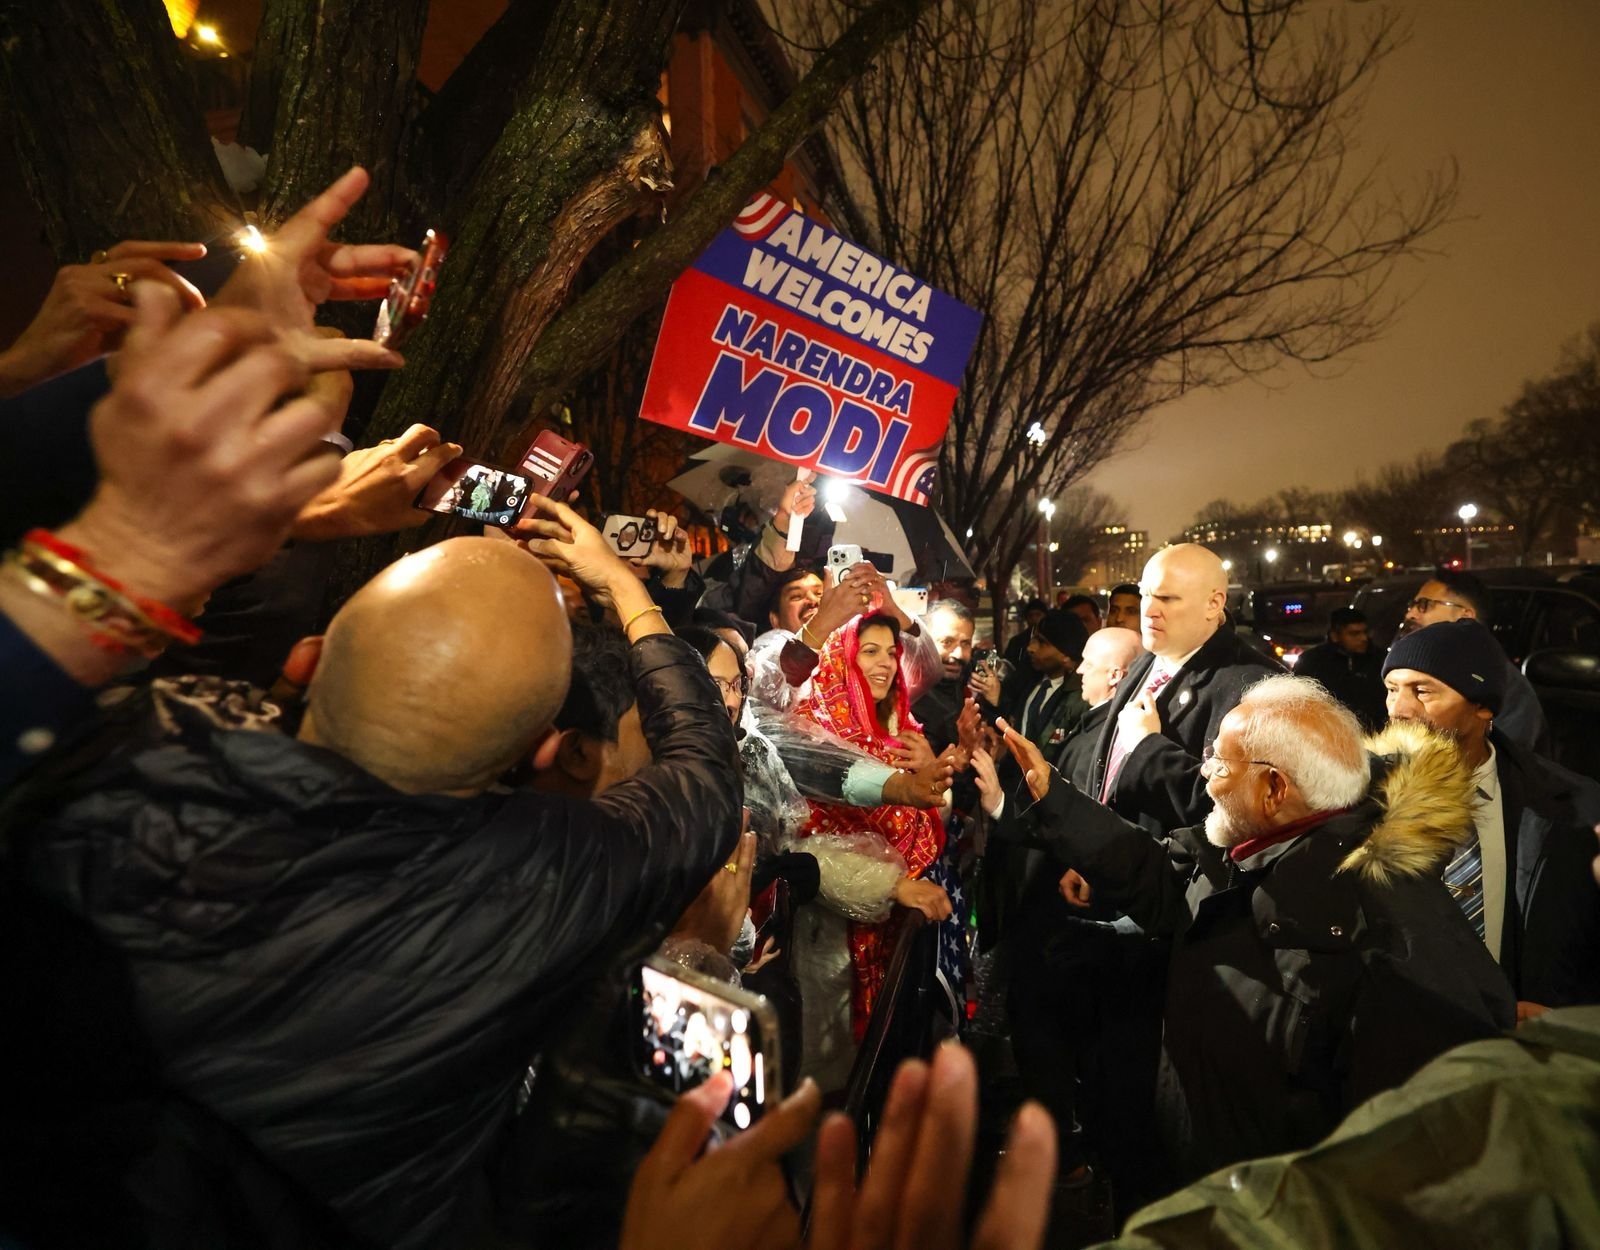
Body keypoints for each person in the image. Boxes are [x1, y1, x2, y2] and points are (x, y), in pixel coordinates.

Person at [1, 505, 741, 1250]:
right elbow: (705, 778)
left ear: (309, 658)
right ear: (535, 752)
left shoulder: (126, 751)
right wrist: (625, 589)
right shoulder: (553, 878)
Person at [992, 675, 1515, 1192]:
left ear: (1273, 789)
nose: (1205, 774)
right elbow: (1169, 885)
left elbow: (1406, 1161)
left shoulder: (1377, 938)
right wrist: (1057, 800)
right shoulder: (1261, 849)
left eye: (1220, 761)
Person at [1382, 618, 1600, 1011]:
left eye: (1422, 691)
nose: (1399, 708)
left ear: (1482, 705)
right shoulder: (1361, 802)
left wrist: (1567, 1020)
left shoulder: (1573, 809)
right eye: (1392, 689)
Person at [791, 611, 954, 1089]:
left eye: (891, 652)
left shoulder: (900, 732)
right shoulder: (812, 733)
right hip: (829, 942)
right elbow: (804, 845)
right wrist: (892, 885)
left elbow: (926, 821)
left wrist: (935, 771)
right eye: (870, 651)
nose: (885, 664)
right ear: (841, 659)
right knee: (833, 1089)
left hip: (893, 934)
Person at [1088, 543, 1282, 831]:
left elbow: (1234, 811)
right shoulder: (1147, 662)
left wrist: (1147, 748)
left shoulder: (1258, 687)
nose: (1149, 610)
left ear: (1213, 604)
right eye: (1145, 595)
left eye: (1167, 598)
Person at [1399, 567, 1551, 753]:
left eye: (1424, 604)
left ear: (1466, 616)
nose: (1411, 614)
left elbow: (1501, 763)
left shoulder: (1504, 685)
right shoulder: (1406, 672)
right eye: (1411, 605)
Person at [1293, 605, 1387, 731]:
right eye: (1354, 634)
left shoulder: (1380, 659)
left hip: (1375, 735)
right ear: (1335, 636)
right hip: (1329, 734)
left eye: (1365, 632)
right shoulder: (1312, 662)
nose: (1363, 638)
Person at [911, 596, 977, 753]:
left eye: (965, 643)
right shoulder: (909, 697)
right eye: (947, 642)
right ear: (923, 641)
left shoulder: (962, 685)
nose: (959, 654)